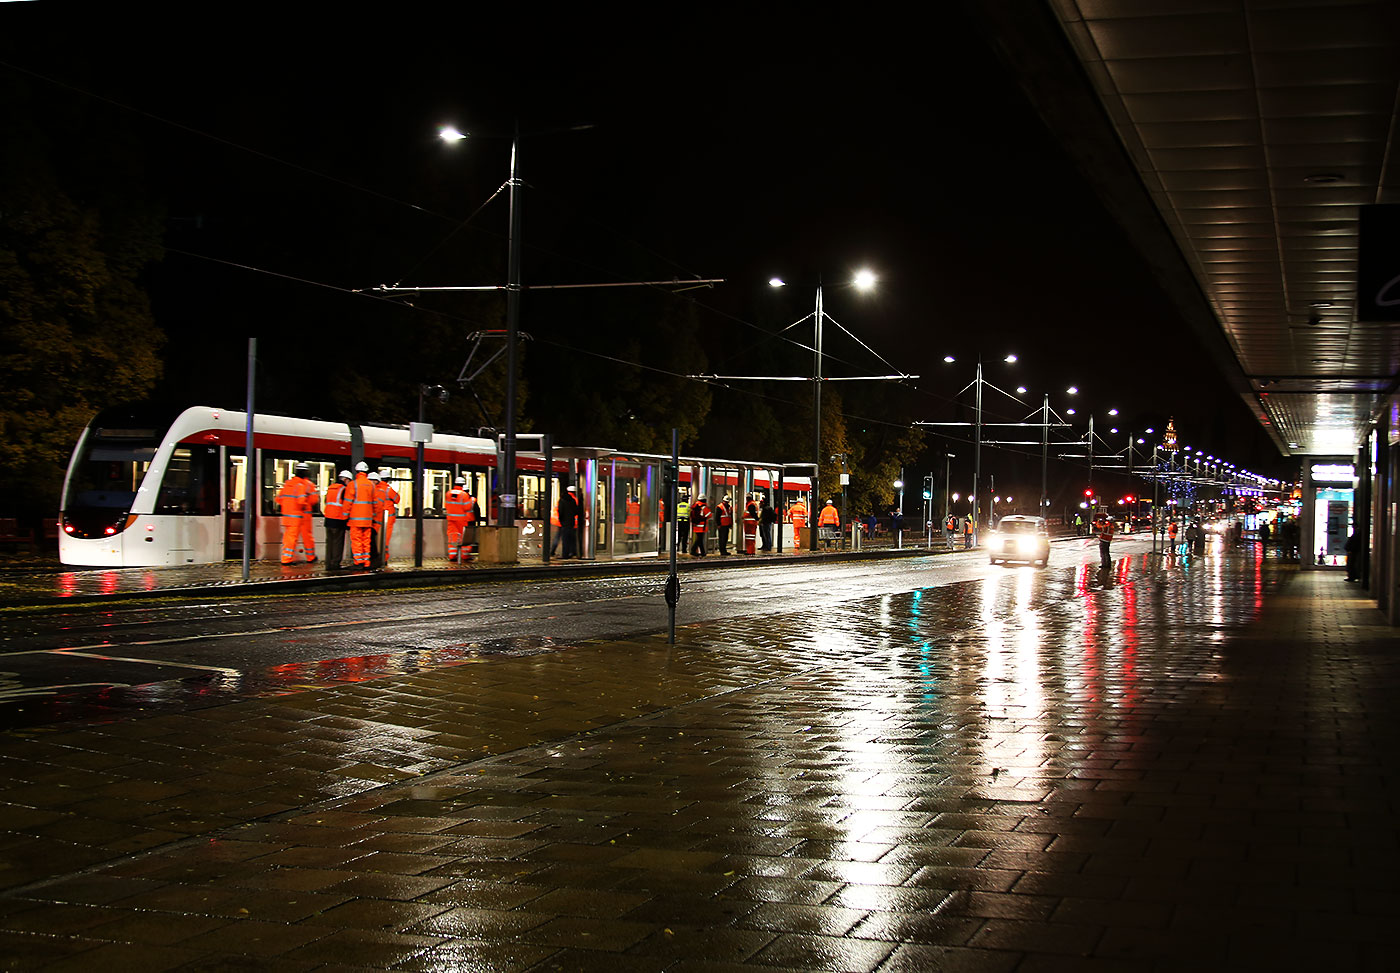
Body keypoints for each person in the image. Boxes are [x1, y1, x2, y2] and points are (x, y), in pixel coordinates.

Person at [275, 462, 320, 564]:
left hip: (287, 516)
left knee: (289, 537)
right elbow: (310, 501)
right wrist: (304, 504)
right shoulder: (303, 485)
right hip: (301, 515)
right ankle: (310, 557)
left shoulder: (287, 484)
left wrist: (288, 507)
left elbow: (278, 499)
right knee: (306, 537)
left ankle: (286, 558)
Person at [344, 461, 377, 569]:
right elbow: (375, 503)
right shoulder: (371, 485)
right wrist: (374, 516)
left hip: (355, 519)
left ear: (357, 471)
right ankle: (367, 562)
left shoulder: (353, 484)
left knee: (357, 540)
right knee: (366, 541)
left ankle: (359, 562)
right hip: (368, 519)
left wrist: (344, 516)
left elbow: (348, 502)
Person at [322, 470, 352, 569]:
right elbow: (346, 504)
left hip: (328, 519)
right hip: (338, 519)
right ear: (346, 479)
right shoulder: (343, 489)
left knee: (329, 543)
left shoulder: (331, 488)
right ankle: (335, 564)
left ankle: (328, 563)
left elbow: (326, 501)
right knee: (337, 543)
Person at [445, 476, 473, 562]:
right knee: (464, 537)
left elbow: (446, 506)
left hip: (451, 519)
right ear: (463, 484)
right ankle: (465, 555)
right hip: (461, 520)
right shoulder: (464, 495)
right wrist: (472, 500)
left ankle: (452, 555)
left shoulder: (448, 493)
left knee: (452, 536)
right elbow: (467, 508)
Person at [376, 470, 400, 565]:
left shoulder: (375, 488)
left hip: (377, 517)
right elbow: (397, 499)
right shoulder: (388, 489)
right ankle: (383, 558)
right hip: (388, 519)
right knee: (385, 539)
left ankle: (375, 556)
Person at [558, 485, 582, 559]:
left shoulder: (562, 500)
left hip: (564, 523)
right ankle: (572, 552)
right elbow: (576, 511)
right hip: (571, 522)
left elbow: (560, 512)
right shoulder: (573, 500)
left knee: (565, 540)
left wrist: (561, 520)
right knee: (571, 539)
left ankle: (565, 555)